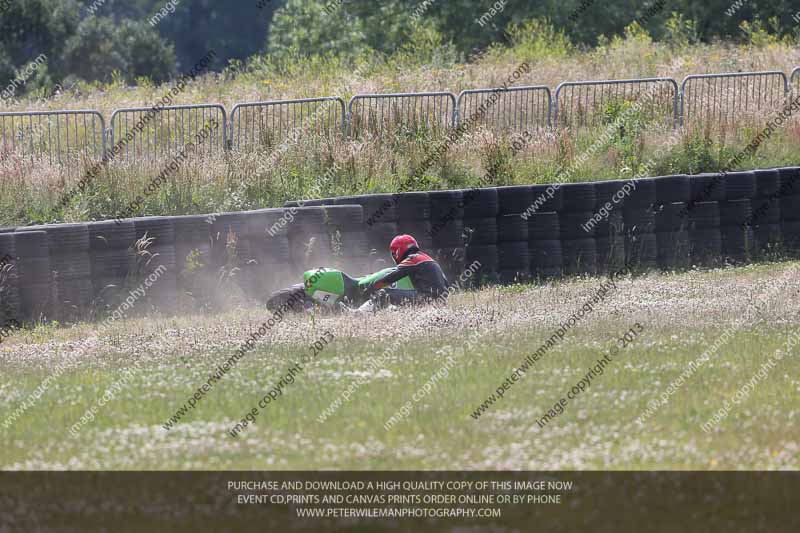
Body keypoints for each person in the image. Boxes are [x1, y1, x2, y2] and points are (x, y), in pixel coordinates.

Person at [361, 234, 449, 308]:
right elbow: (446, 284)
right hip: (440, 302)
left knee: (384, 293)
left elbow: (391, 277)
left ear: (398, 251)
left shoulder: (413, 259)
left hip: (426, 300)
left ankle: (360, 312)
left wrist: (371, 287)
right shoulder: (428, 259)